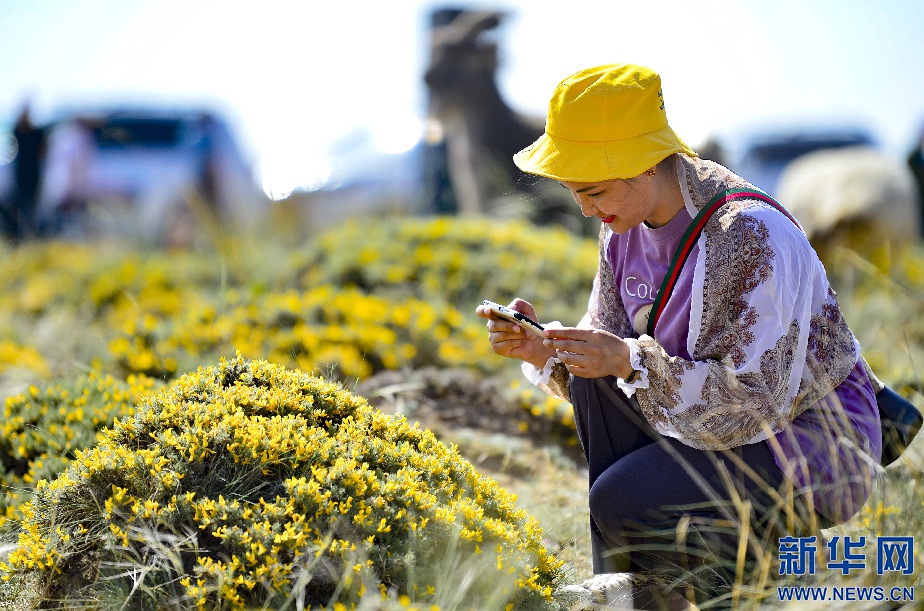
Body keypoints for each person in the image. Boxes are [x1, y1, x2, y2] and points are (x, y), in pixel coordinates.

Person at [476, 64, 882, 608]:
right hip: (718, 429)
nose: (585, 208)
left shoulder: (750, 233)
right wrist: (547, 351)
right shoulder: (620, 229)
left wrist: (627, 362)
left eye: (593, 190)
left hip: (814, 441)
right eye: (576, 192)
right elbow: (611, 361)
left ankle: (750, 593)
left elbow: (756, 400)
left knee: (619, 499)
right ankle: (637, 593)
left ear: (644, 165)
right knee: (600, 399)